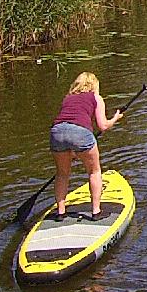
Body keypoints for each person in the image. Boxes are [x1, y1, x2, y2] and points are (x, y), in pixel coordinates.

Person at [49, 71, 124, 219]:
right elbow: (102, 126)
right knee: (94, 172)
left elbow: (67, 124)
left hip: (57, 132)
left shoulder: (68, 98)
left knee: (62, 174)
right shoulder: (96, 98)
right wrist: (115, 118)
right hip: (80, 133)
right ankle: (96, 211)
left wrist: (73, 150)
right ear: (94, 85)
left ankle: (61, 212)